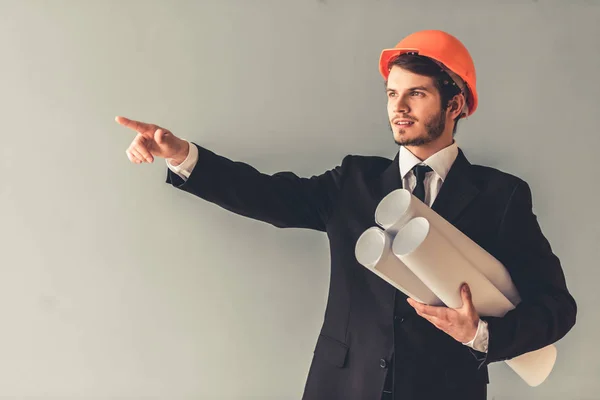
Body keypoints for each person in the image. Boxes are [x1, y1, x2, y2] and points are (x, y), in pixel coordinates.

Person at [116, 30, 576, 400]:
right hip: (343, 386)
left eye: (415, 94)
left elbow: (556, 306)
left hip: (445, 389)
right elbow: (266, 195)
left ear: (454, 105)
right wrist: (182, 156)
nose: (398, 107)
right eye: (392, 93)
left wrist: (480, 334)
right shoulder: (354, 181)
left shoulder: (502, 196)